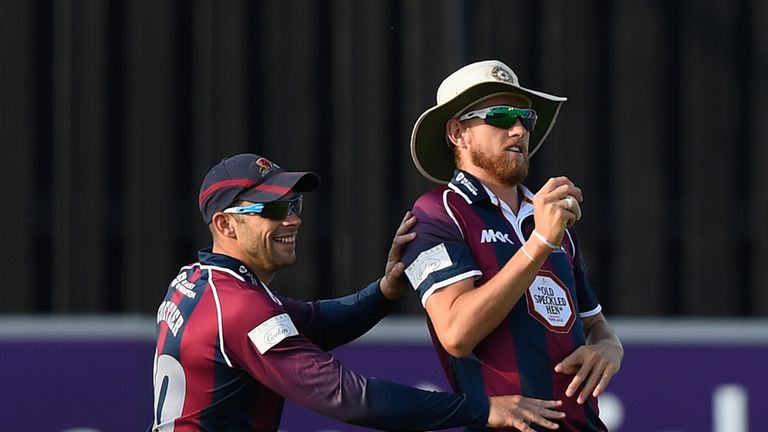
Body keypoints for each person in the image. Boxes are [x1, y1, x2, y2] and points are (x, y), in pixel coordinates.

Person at [151, 153, 567, 432]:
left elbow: (312, 321)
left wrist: (385, 291)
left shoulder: (198, 281)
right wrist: (482, 408)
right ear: (225, 225)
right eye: (274, 210)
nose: (293, 221)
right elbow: (350, 397)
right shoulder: (240, 307)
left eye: (294, 206)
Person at [402, 60, 624, 431]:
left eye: (526, 118)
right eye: (501, 117)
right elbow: (456, 333)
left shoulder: (550, 218)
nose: (519, 129)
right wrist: (539, 243)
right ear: (458, 132)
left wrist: (609, 346)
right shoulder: (438, 212)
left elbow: (594, 322)